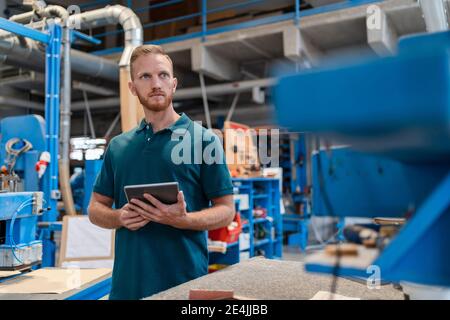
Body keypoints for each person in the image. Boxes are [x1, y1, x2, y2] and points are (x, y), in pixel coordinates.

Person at [88, 44, 235, 300]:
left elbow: (226, 211)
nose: (156, 83)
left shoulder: (204, 141)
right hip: (126, 287)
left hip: (183, 286)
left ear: (174, 84)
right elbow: (95, 209)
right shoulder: (118, 146)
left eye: (163, 75)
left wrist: (183, 220)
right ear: (133, 88)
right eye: (145, 76)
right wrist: (119, 218)